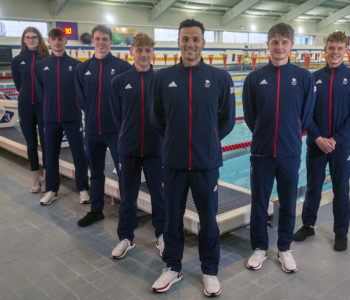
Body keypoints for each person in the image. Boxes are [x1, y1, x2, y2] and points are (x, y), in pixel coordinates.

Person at [150, 19, 235, 296]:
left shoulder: (220, 78)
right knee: (171, 219)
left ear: (203, 43)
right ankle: (172, 267)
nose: (190, 44)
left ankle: (209, 270)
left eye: (195, 39)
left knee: (209, 220)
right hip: (173, 163)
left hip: (206, 163)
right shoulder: (162, 78)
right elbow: (156, 118)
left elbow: (228, 120)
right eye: (185, 39)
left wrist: (206, 142)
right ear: (178, 42)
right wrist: (176, 142)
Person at [243, 23, 316, 272]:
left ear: (291, 46)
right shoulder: (254, 78)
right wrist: (264, 134)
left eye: (284, 42)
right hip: (261, 153)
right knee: (259, 203)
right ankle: (260, 247)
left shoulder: (304, 78)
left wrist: (290, 136)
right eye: (275, 42)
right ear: (268, 45)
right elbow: (250, 116)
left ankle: (284, 248)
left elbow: (305, 117)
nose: (279, 46)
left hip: (289, 152)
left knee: (287, 202)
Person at [293, 31, 350, 251]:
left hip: (341, 146)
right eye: (331, 48)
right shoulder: (313, 79)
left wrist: (335, 139)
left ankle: (340, 232)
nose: (335, 52)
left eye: (339, 48)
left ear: (346, 51)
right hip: (317, 144)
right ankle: (308, 224)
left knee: (341, 189)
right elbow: (306, 114)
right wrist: (318, 137)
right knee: (313, 186)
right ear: (325, 50)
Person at [109, 33, 165, 259]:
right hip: (129, 148)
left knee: (159, 195)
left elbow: (165, 115)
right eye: (139, 50)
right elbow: (117, 116)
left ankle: (162, 235)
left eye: (147, 50)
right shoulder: (119, 82)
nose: (143, 54)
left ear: (153, 53)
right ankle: (126, 237)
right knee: (128, 195)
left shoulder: (161, 81)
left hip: (156, 149)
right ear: (131, 52)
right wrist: (129, 134)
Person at [75, 25, 131, 226]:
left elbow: (129, 99)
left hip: (116, 132)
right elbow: (81, 100)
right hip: (92, 131)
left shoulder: (123, 67)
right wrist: (90, 116)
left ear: (111, 41)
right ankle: (96, 210)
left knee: (124, 174)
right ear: (92, 41)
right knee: (96, 172)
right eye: (97, 39)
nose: (101, 42)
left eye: (105, 39)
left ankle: (127, 213)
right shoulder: (82, 69)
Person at [33, 28, 90, 205]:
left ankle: (83, 188)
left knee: (79, 155)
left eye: (60, 39)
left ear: (65, 41)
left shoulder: (77, 65)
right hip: (50, 119)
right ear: (49, 42)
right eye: (53, 39)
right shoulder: (40, 66)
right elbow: (40, 92)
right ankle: (52, 189)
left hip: (72, 117)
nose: (57, 42)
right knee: (50, 155)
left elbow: (82, 92)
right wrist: (49, 108)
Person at [11, 27, 49, 193]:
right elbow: (18, 85)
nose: (31, 39)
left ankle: (48, 179)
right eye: (28, 37)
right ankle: (36, 179)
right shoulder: (18, 60)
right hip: (26, 105)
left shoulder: (47, 58)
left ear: (39, 39)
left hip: (43, 106)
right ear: (24, 40)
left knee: (47, 144)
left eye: (34, 37)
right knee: (31, 144)